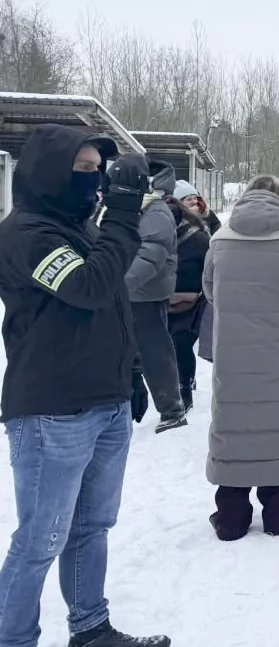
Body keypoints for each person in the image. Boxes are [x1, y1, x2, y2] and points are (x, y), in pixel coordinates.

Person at [0, 124, 171, 647]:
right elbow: (90, 288)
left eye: (99, 171)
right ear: (47, 172)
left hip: (105, 401)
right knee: (40, 538)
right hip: (54, 409)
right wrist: (123, 210)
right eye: (83, 170)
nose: (95, 181)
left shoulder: (82, 228)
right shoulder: (27, 234)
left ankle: (90, 628)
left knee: (91, 527)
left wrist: (131, 374)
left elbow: (113, 306)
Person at [203, 175, 279, 541]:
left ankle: (231, 518)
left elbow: (209, 290)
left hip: (233, 353)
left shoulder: (220, 240)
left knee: (234, 425)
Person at [126, 158, 188, 433]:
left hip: (146, 292)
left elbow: (152, 254)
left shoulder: (156, 210)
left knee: (154, 351)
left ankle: (171, 408)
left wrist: (116, 285)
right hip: (130, 289)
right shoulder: (133, 205)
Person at [166, 193, 213, 413]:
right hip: (163, 298)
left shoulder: (199, 238)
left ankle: (184, 388)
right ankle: (177, 382)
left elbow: (213, 267)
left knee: (181, 342)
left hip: (194, 299)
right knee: (168, 346)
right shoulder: (154, 236)